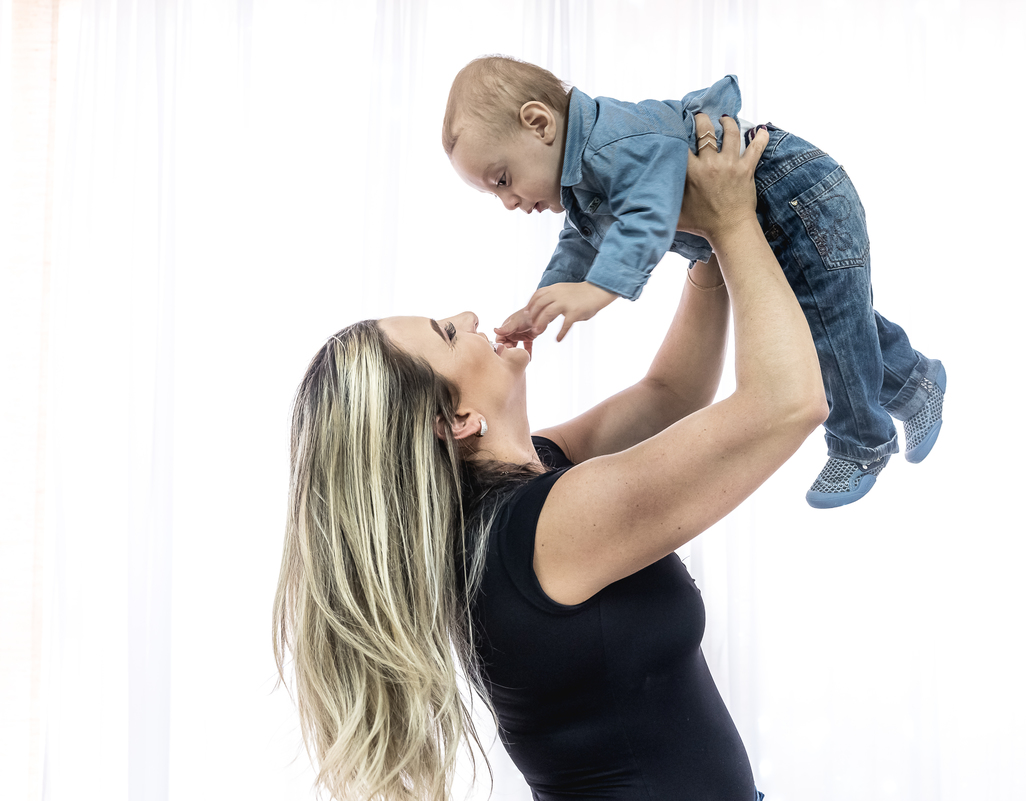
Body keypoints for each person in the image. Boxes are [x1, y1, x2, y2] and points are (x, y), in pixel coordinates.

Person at [273, 115, 823, 801]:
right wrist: (734, 220)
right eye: (448, 333)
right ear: (456, 421)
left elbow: (671, 393)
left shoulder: (522, 493)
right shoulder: (545, 529)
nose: (469, 317)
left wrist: (707, 248)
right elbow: (788, 402)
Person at [442, 55, 946, 508]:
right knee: (832, 326)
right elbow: (581, 238)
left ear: (539, 123)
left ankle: (862, 442)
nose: (508, 202)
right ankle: (915, 384)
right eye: (494, 194)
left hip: (794, 193)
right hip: (768, 212)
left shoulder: (612, 145)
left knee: (830, 327)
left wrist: (598, 290)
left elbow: (648, 214)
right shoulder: (583, 179)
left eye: (502, 180)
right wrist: (542, 302)